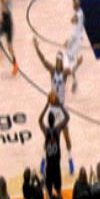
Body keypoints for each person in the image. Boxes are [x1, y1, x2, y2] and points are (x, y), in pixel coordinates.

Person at [34, 37, 82, 174]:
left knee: (66, 135)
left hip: (61, 107)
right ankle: (43, 161)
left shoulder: (65, 72)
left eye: (59, 61)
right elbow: (43, 60)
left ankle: (70, 159)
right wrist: (37, 47)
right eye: (56, 60)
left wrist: (78, 64)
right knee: (48, 137)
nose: (57, 62)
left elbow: (72, 70)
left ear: (62, 62)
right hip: (52, 108)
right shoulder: (52, 70)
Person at [39, 94, 70, 195]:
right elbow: (67, 117)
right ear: (54, 120)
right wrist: (60, 105)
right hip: (57, 166)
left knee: (48, 193)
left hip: (49, 167)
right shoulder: (58, 129)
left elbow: (39, 120)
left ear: (48, 121)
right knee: (59, 191)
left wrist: (46, 105)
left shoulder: (46, 131)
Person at [0, 0, 19, 76]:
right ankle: (15, 64)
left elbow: (3, 8)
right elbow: (8, 7)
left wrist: (1, 20)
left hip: (7, 21)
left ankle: (2, 55)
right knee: (8, 45)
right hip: (8, 19)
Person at [65, 0, 85, 93]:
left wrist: (67, 42)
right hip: (78, 40)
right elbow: (73, 19)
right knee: (68, 59)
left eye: (74, 4)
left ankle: (74, 81)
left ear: (77, 5)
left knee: (70, 60)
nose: (72, 5)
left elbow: (73, 35)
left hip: (76, 41)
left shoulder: (78, 16)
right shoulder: (80, 12)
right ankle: (70, 76)